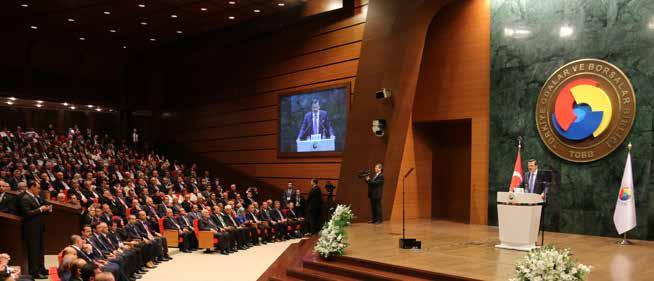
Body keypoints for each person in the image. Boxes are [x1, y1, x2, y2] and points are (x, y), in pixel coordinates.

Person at [17, 179, 51, 279]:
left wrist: (46, 209)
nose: (39, 190)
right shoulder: (25, 198)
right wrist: (41, 209)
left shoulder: (36, 197)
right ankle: (34, 272)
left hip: (38, 227)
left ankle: (41, 269)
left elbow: (39, 210)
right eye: (38, 187)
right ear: (32, 187)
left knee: (40, 250)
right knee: (33, 251)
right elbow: (27, 214)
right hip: (31, 229)